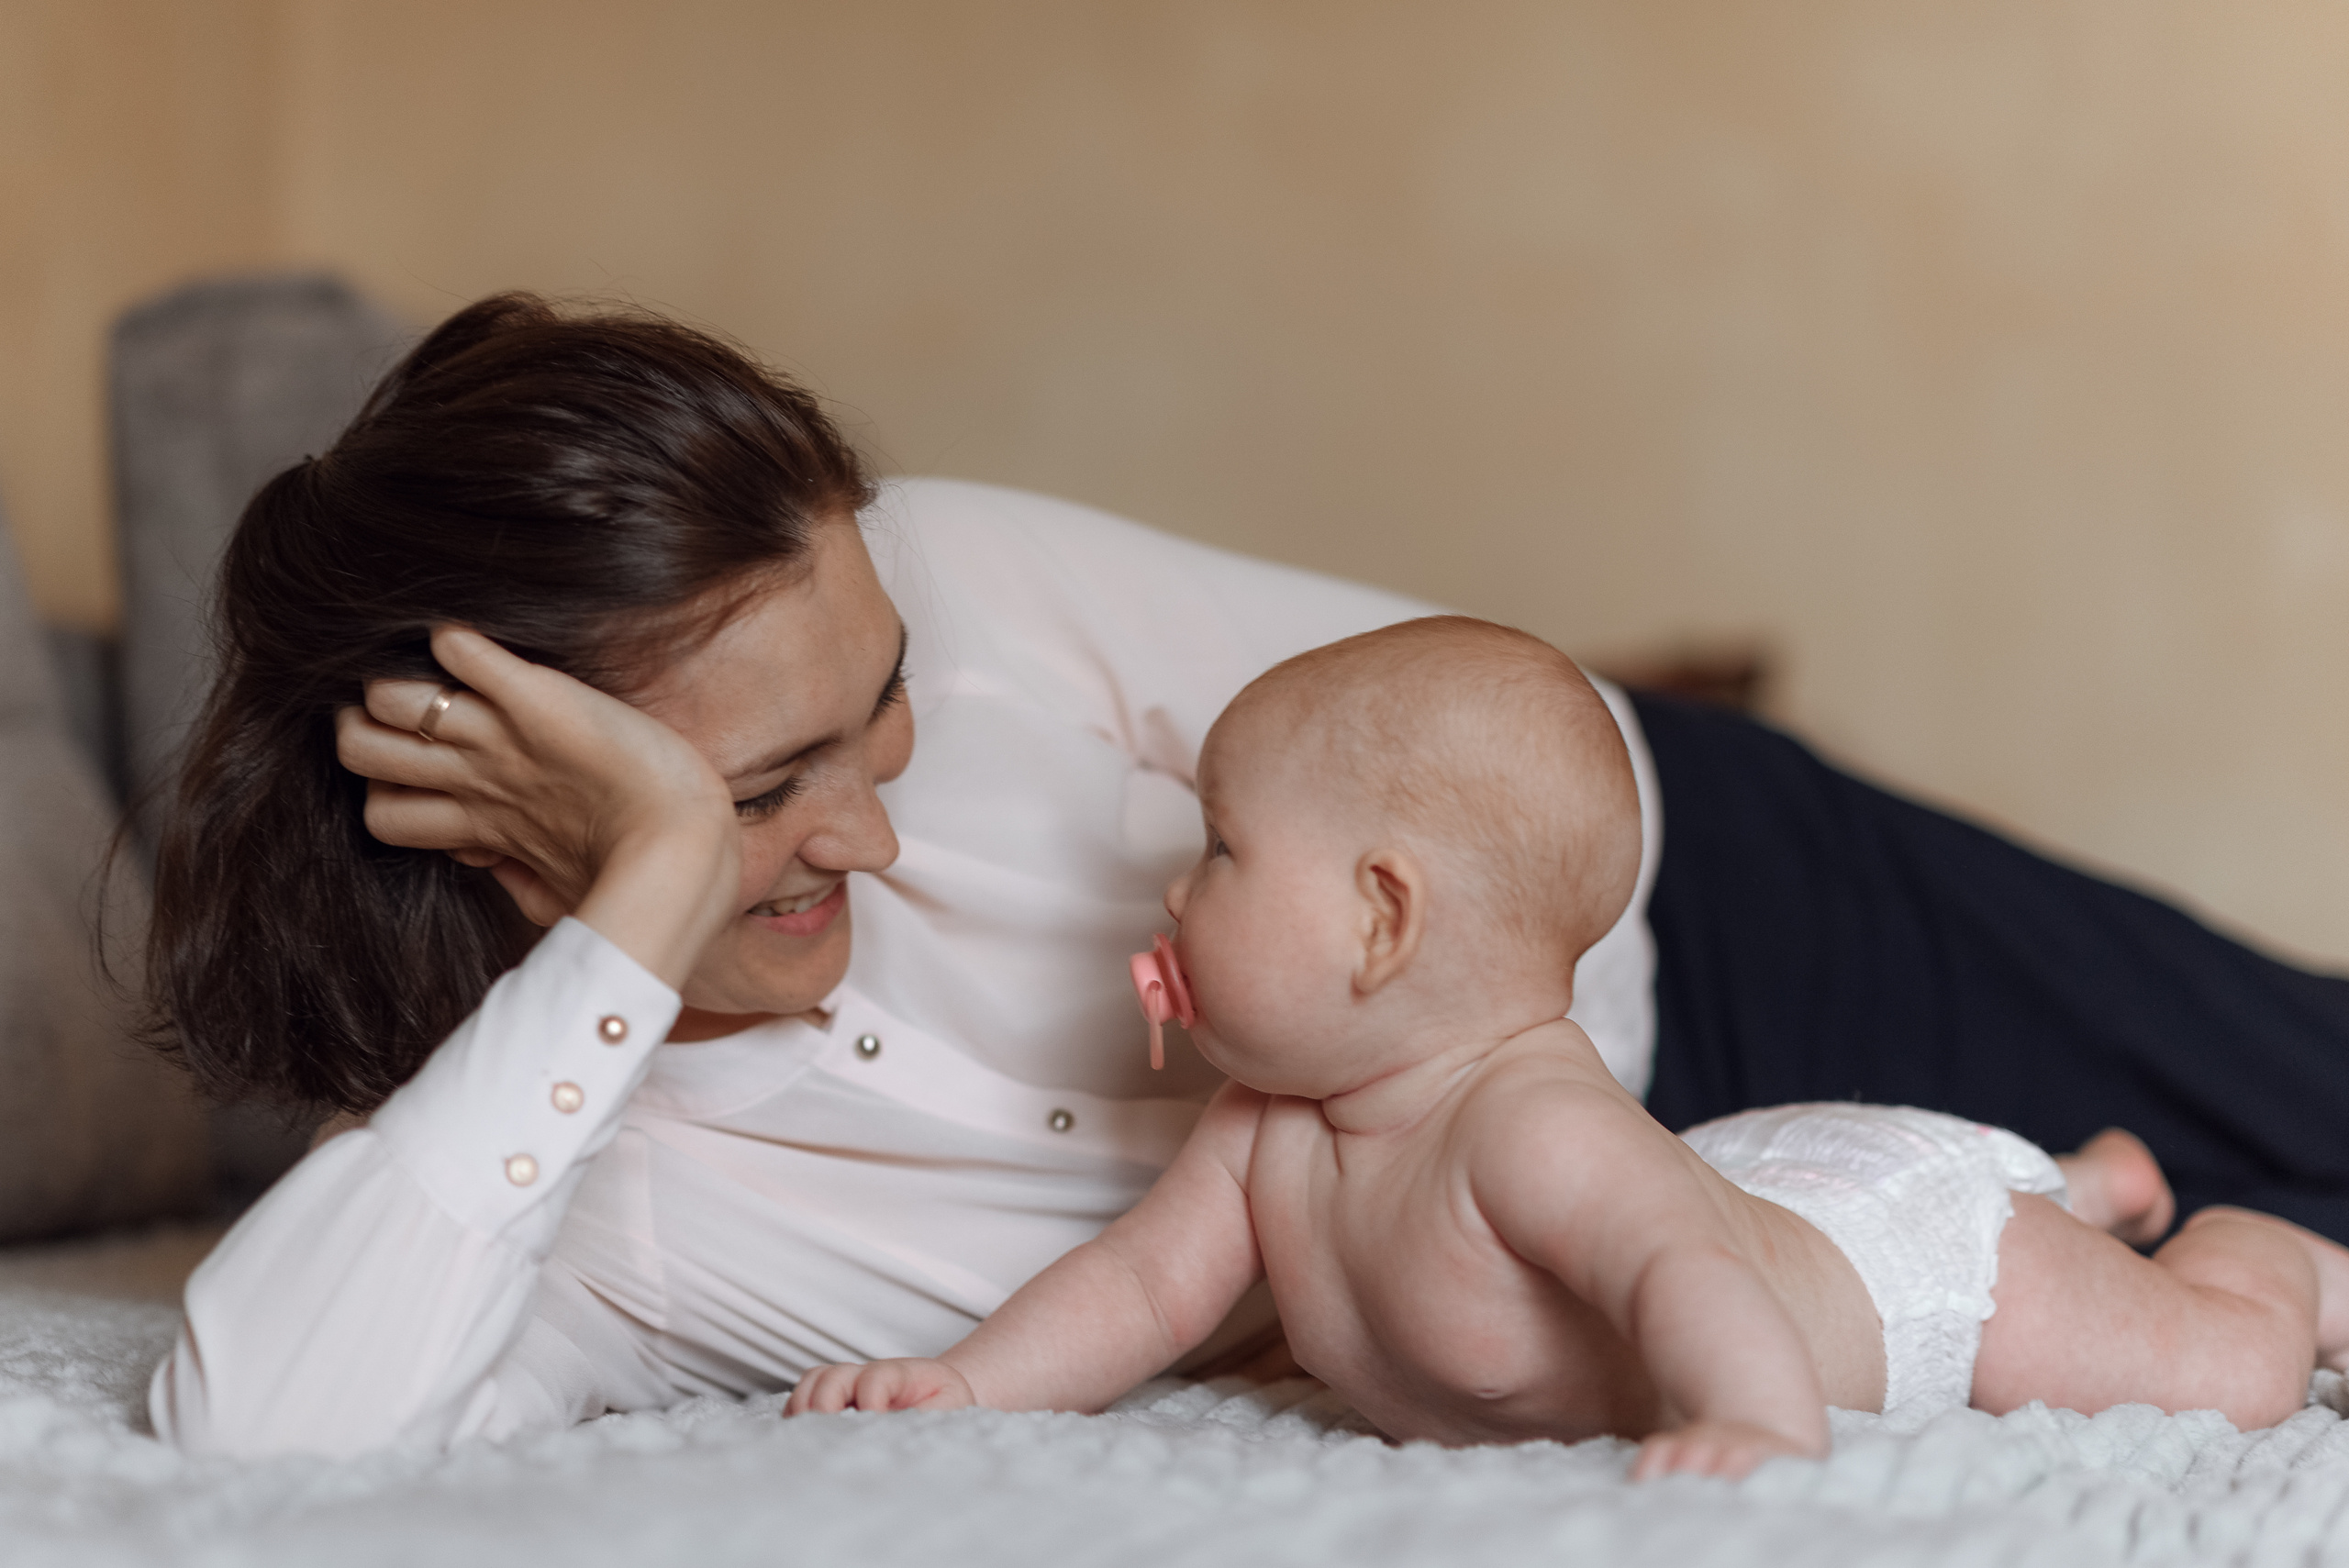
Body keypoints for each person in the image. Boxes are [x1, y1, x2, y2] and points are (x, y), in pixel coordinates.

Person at [143, 292, 2349, 1459]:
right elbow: (257, 1426)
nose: (886, 823)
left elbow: (1461, 751)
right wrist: (640, 910)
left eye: (884, 697)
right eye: (769, 786)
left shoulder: (956, 573)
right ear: (521, 793)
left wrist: (1526, 1147)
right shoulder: (578, 1217)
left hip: (1699, 893)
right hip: (1656, 1223)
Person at [784, 618, 2349, 1477]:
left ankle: (2261, 1250)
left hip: (1897, 1257)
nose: (1179, 889)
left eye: (1223, 847)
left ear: (1381, 921)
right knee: (1749, 1206)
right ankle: (2092, 1181)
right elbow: (1135, 1287)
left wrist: (1751, 1423)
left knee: (2220, 1376)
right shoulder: (1269, 1124)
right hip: (1762, 1170)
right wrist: (968, 1382)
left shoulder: (1531, 1126)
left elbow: (1689, 1279)